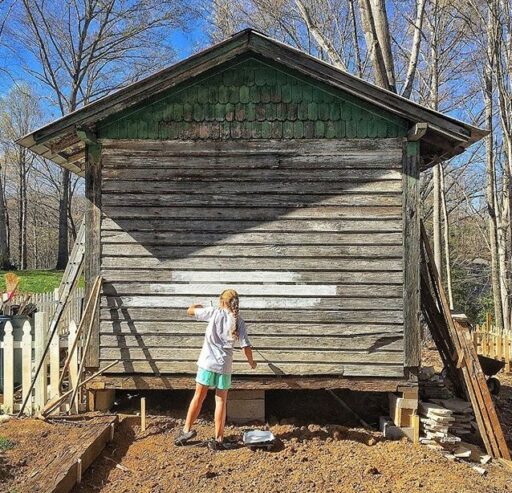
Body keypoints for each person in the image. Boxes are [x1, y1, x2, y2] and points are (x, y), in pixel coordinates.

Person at [174, 289, 257, 450]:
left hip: (207, 363)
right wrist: (251, 363)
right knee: (220, 401)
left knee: (198, 397)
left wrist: (197, 305)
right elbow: (246, 347)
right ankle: (218, 439)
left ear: (221, 302)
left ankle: (186, 431)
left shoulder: (213, 312)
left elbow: (190, 311)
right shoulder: (239, 321)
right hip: (224, 366)